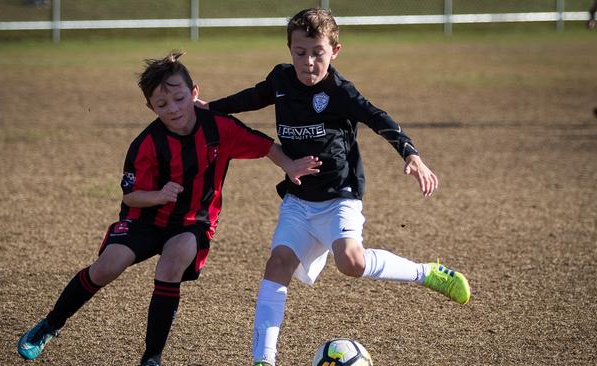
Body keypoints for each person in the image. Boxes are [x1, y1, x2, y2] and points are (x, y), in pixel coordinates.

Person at [197, 8, 471, 366]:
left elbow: (377, 117)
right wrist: (210, 109)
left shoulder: (338, 91)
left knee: (351, 262)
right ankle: (264, 360)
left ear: (335, 51)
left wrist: (412, 155)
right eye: (300, 52)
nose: (308, 62)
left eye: (318, 53)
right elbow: (250, 98)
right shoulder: (281, 80)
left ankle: (427, 273)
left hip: (340, 196)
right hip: (298, 198)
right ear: (289, 49)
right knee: (277, 264)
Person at [16, 51, 321, 366]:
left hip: (194, 222)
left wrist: (291, 165)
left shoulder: (219, 127)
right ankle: (51, 324)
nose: (173, 109)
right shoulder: (147, 143)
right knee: (107, 266)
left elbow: (265, 145)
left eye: (179, 98)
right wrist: (159, 195)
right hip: (145, 218)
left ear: (194, 93)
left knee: (170, 265)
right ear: (150, 107)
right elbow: (131, 196)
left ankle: (151, 358)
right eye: (162, 105)